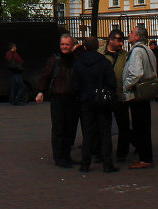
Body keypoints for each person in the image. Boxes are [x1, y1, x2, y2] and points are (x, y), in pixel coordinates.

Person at [70, 37, 119, 173]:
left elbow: (75, 85)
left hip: (86, 101)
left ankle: (85, 163)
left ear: (84, 47)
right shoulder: (104, 62)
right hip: (102, 100)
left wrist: (82, 95)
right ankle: (107, 163)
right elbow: (111, 82)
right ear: (97, 47)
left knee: (88, 133)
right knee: (105, 132)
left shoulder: (79, 64)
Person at [35, 33, 79, 168]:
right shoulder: (55, 60)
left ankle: (66, 155)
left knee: (70, 128)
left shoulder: (75, 59)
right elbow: (45, 76)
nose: (64, 47)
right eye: (62, 44)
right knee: (59, 128)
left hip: (72, 98)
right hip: (58, 98)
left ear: (72, 46)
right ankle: (59, 157)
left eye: (67, 44)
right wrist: (41, 91)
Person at [122, 25, 156, 169]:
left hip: (137, 93)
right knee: (145, 126)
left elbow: (136, 73)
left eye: (131, 33)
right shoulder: (148, 50)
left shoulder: (136, 51)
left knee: (139, 126)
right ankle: (146, 155)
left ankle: (145, 158)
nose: (128, 34)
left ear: (137, 36)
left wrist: (126, 86)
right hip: (147, 92)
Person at [99, 28, 131, 161]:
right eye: (118, 40)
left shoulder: (125, 55)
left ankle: (122, 153)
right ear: (110, 39)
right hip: (104, 95)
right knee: (103, 125)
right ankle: (103, 152)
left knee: (123, 125)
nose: (121, 43)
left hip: (120, 95)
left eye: (122, 40)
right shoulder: (100, 54)